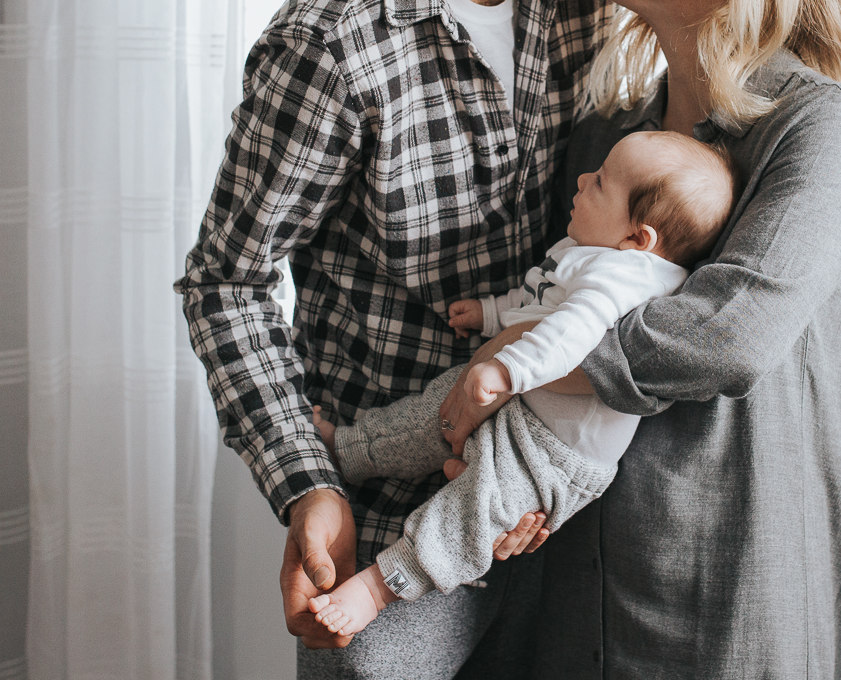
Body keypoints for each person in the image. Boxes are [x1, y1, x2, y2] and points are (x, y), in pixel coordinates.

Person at [175, 0, 686, 679]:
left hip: (538, 504)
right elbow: (226, 284)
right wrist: (304, 486)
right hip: (389, 521)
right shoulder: (332, 45)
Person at [437, 0, 841, 677]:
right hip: (571, 569)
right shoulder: (606, 136)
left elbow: (727, 337)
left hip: (728, 588)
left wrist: (517, 364)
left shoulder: (822, 129)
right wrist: (515, 470)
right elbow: (554, 299)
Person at [302, 130, 736, 640]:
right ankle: (349, 448)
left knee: (473, 514)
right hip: (529, 409)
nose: (582, 179)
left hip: (554, 453)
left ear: (639, 239)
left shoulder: (627, 277)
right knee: (429, 413)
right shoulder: (593, 251)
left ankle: (380, 586)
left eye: (599, 183)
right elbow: (540, 301)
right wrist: (490, 315)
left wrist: (506, 371)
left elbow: (568, 333)